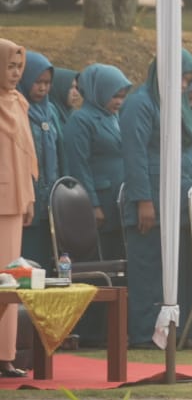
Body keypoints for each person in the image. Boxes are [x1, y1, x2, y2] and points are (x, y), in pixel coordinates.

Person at [119, 50, 192, 346]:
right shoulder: (139, 104)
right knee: (147, 270)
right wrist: (143, 200)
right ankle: (145, 335)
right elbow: (135, 156)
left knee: (176, 274)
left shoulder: (178, 106)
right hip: (151, 203)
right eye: (180, 77)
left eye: (188, 79)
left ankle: (175, 334)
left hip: (179, 203)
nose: (183, 84)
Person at [62, 63, 132, 262]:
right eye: (115, 96)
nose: (119, 101)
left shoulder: (114, 117)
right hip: (101, 200)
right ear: (98, 91)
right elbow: (78, 165)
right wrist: (92, 204)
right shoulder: (81, 120)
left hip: (120, 199)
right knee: (103, 256)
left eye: (122, 96)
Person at [1, 39, 36, 378]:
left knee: (10, 279)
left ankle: (5, 355)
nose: (15, 74)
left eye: (18, 68)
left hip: (12, 202)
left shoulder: (18, 103)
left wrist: (28, 198)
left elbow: (25, 155)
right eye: (9, 67)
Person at [18, 51, 59, 270]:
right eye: (37, 82)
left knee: (45, 262)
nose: (43, 88)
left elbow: (59, 150)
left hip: (49, 202)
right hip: (26, 199)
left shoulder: (51, 111)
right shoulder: (16, 108)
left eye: (47, 83)